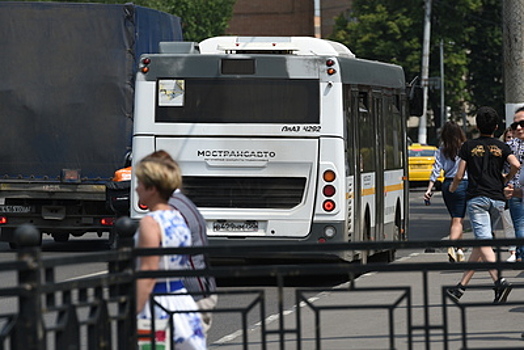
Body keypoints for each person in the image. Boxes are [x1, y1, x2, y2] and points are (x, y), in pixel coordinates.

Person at [447, 106, 520, 303]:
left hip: (477, 199)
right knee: (482, 243)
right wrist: (506, 178)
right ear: (496, 126)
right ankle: (460, 287)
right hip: (497, 200)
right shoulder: (502, 147)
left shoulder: (468, 146)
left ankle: (499, 281)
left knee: (483, 241)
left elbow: (460, 174)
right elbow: (516, 164)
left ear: (477, 126)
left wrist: (453, 188)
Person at [135, 156, 206, 349]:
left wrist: (133, 310)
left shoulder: (150, 222)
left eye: (140, 183)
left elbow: (149, 272)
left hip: (157, 306)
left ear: (152, 189)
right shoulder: (177, 217)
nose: (136, 188)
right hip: (182, 301)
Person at [143, 150, 217, 333]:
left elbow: (156, 264)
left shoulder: (168, 211)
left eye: (141, 182)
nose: (136, 188)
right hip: (199, 289)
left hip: (188, 294)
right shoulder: (182, 202)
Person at [424, 121, 468, 262]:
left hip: (447, 184)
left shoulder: (442, 150)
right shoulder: (465, 148)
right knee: (458, 218)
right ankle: (452, 245)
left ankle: (459, 250)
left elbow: (436, 170)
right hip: (462, 183)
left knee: (455, 217)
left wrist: (429, 189)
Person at [504, 108, 524, 263]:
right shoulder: (508, 147)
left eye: (522, 124)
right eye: (514, 125)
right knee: (519, 226)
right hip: (515, 192)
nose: (518, 128)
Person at [500, 127, 517, 262]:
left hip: (519, 188)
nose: (510, 141)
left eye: (513, 138)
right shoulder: (501, 152)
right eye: (508, 138)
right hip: (506, 189)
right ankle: (513, 251)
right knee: (508, 221)